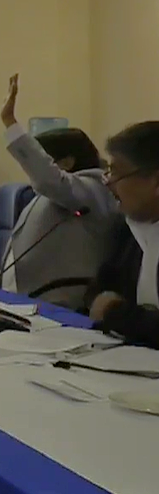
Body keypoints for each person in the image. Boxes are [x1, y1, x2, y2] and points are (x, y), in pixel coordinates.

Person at [0, 74, 117, 308]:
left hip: (59, 308)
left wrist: (10, 123)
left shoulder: (95, 188)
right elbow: (21, 259)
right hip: (19, 303)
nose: (32, 169)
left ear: (67, 162)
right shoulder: (47, 194)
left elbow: (49, 179)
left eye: (45, 158)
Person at [86, 120, 159, 347]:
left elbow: (108, 308)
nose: (107, 183)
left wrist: (117, 314)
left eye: (116, 172)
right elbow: (97, 295)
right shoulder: (127, 230)